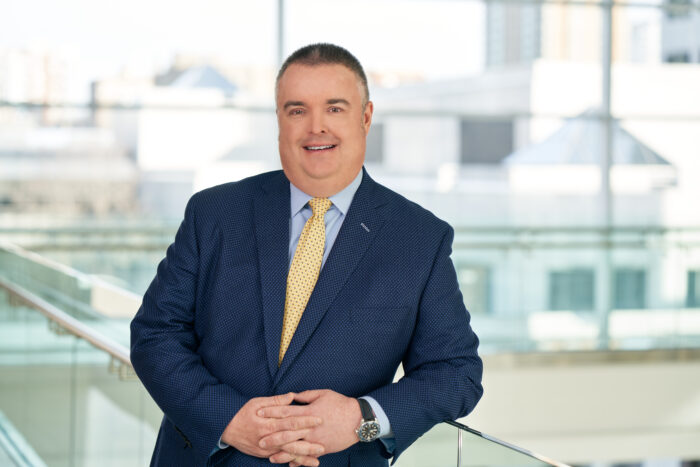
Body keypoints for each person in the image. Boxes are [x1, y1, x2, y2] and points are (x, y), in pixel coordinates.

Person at [130, 43, 483, 467]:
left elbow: (457, 372)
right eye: (297, 110)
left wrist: (361, 419)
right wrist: (227, 419)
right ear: (279, 121)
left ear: (365, 117)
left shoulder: (419, 238)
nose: (317, 127)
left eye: (334, 108)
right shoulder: (214, 213)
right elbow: (155, 334)